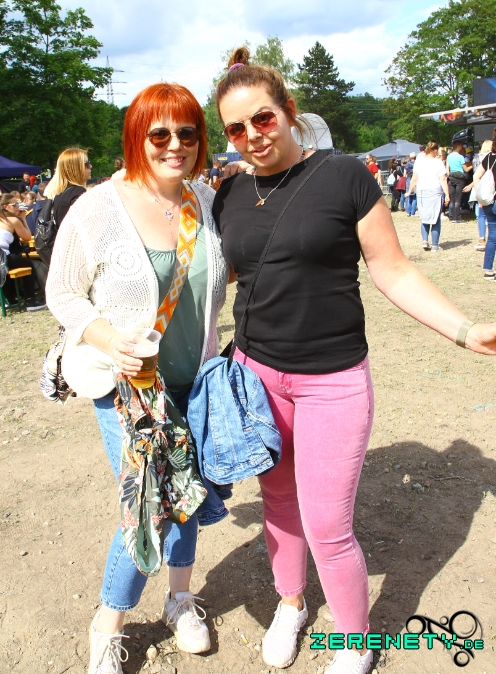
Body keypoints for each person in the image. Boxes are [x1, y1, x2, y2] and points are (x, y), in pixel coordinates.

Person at [211, 47, 496, 674]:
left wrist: (464, 329)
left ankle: (354, 639)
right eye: (236, 128)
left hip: (333, 380)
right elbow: (222, 276)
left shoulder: (345, 176)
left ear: (288, 111)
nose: (252, 135)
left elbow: (392, 269)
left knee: (326, 524)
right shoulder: (229, 193)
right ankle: (291, 603)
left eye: (263, 118)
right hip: (256, 378)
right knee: (278, 502)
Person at [46, 83, 228, 674]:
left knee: (188, 496)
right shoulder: (97, 208)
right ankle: (108, 626)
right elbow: (62, 292)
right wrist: (108, 340)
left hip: (195, 383)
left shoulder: (205, 199)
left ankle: (180, 598)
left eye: (188, 132)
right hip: (130, 390)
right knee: (148, 501)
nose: (176, 144)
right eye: (160, 133)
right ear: (136, 137)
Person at [0, 193, 47, 310]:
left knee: (9, 266)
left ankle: (9, 298)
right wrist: (23, 219)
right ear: (5, 206)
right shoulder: (13, 220)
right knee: (29, 266)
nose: (18, 207)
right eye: (15, 205)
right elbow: (27, 237)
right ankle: (31, 301)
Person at [405, 142, 449, 251]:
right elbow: (443, 180)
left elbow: (414, 179)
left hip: (422, 191)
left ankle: (425, 240)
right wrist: (447, 194)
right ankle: (435, 245)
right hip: (435, 191)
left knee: (424, 217)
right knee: (435, 218)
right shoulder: (438, 162)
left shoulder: (419, 162)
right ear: (435, 150)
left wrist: (409, 191)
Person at [44, 148, 92, 229]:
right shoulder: (77, 192)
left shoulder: (60, 193)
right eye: (86, 164)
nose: (90, 166)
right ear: (75, 168)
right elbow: (87, 225)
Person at [472, 131, 496, 279]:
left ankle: (488, 270)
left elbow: (476, 176)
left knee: (492, 236)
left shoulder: (489, 158)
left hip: (488, 202)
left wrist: (480, 196)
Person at [469, 140, 493, 251]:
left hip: (479, 188)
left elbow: (475, 174)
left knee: (480, 215)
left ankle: (482, 238)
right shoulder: (491, 157)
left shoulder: (476, 158)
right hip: (490, 188)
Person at [446, 141, 472, 223]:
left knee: (452, 197)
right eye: (461, 146)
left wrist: (449, 176)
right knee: (458, 198)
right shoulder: (460, 157)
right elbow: (466, 169)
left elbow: (447, 168)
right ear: (458, 146)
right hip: (459, 178)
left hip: (452, 177)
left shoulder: (449, 156)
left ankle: (452, 216)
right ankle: (457, 217)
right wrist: (472, 165)